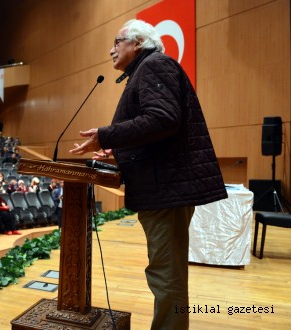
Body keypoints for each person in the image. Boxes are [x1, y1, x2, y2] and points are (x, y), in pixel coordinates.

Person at [69, 19, 227, 330]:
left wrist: (107, 136)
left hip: (166, 191)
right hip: (163, 189)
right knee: (165, 273)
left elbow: (164, 118)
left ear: (138, 42)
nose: (110, 49)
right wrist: (117, 150)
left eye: (117, 42)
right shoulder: (146, 70)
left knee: (166, 276)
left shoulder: (154, 66)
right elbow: (158, 130)